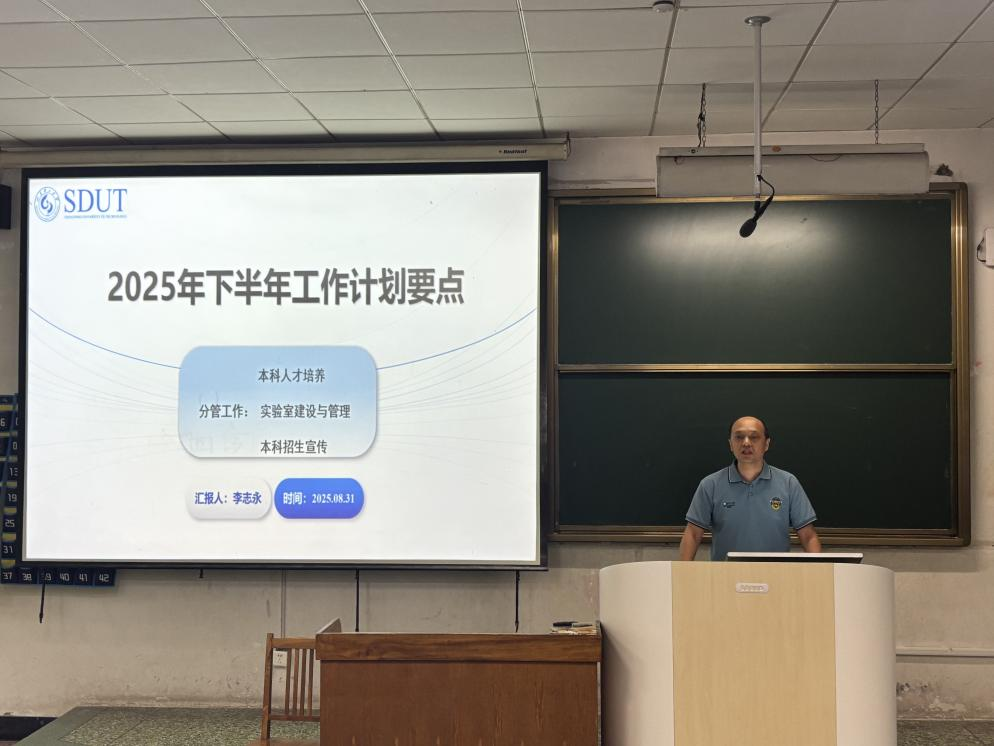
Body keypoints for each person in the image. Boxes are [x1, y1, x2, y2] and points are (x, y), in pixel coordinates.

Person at [679, 415, 821, 561]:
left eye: (754, 437)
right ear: (730, 444)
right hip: (725, 573)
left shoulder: (788, 483)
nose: (746, 443)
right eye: (739, 437)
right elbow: (693, 534)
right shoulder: (710, 484)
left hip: (776, 573)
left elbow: (808, 536)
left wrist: (819, 570)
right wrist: (682, 571)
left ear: (766, 444)